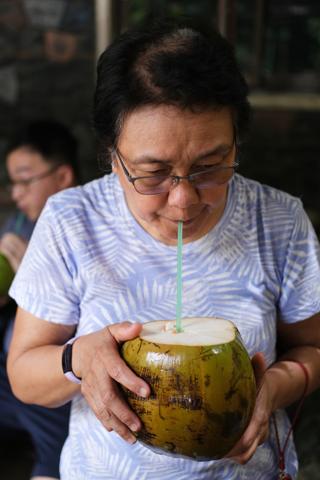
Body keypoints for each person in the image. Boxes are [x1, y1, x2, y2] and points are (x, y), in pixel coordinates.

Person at [6, 21, 320, 480]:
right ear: (113, 156)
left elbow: (312, 347)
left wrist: (276, 385)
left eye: (211, 167)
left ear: (236, 142)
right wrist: (77, 359)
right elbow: (23, 374)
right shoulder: (72, 221)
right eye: (152, 173)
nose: (183, 199)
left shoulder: (277, 221)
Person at [0, 119, 79, 480]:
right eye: (13, 182)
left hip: (57, 374)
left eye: (25, 180)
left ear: (62, 177)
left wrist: (36, 273)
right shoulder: (17, 225)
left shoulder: (81, 232)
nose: (16, 193)